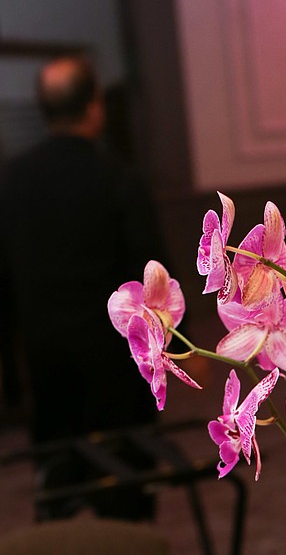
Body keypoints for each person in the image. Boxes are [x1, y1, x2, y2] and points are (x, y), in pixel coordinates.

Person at [0, 53, 167, 517]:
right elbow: (154, 277)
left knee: (57, 495)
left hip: (47, 363)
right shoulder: (119, 177)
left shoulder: (12, 182)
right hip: (117, 364)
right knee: (128, 496)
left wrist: (12, 379)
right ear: (96, 107)